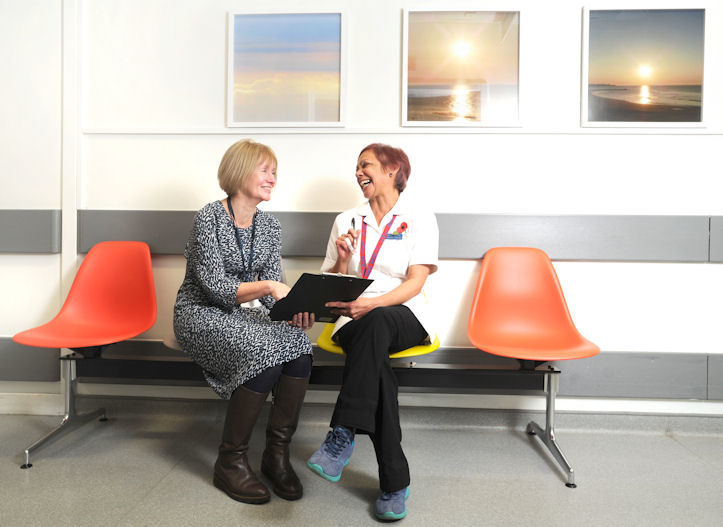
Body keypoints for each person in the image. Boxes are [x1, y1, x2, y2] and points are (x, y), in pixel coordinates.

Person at [173, 139, 315, 505]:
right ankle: (230, 460)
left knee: (299, 345)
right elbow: (216, 288)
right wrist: (269, 286)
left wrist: (294, 310)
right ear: (240, 172)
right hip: (198, 312)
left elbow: (271, 294)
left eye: (275, 173)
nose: (272, 178)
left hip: (239, 315)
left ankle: (276, 455)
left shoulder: (270, 226)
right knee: (264, 350)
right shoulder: (208, 217)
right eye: (265, 170)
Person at [306, 143, 439, 521]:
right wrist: (344, 262)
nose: (358, 173)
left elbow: (415, 283)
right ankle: (393, 482)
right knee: (375, 362)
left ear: (393, 170)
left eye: (366, 165)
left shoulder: (418, 217)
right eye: (357, 167)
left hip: (405, 315)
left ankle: (343, 432)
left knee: (377, 321)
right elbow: (330, 285)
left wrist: (373, 304)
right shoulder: (346, 220)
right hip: (354, 318)